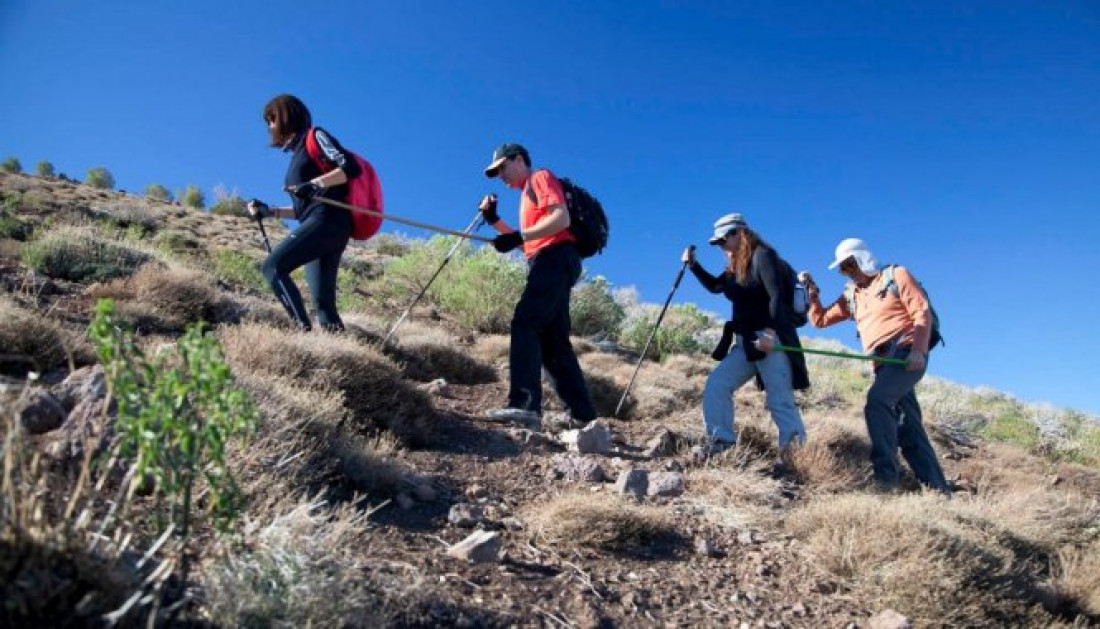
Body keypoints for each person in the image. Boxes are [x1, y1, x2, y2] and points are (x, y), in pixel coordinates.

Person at [801, 238, 951, 494]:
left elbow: (921, 311)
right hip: (882, 364)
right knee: (910, 429)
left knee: (878, 402)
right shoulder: (852, 295)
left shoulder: (895, 276)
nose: (848, 272)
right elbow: (820, 320)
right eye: (843, 269)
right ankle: (939, 491)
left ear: (863, 258)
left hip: (905, 352)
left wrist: (918, 350)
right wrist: (812, 293)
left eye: (850, 265)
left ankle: (885, 480)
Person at [477, 143, 596, 430]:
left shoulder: (539, 178)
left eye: (502, 167)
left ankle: (524, 406)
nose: (501, 176)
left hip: (554, 258)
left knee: (525, 323)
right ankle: (583, 417)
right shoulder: (526, 196)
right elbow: (529, 243)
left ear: (519, 159)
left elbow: (561, 219)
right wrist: (495, 222)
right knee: (554, 344)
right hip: (550, 259)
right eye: (496, 173)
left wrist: (518, 236)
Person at [683, 213, 809, 462]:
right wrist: (693, 266)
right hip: (745, 344)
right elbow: (716, 287)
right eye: (717, 243)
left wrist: (771, 335)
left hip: (769, 340)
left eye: (722, 241)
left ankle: (795, 458)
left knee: (779, 401)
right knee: (717, 385)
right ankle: (722, 443)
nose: (720, 247)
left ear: (739, 233)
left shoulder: (764, 256)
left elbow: (775, 296)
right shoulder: (734, 267)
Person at [246, 94, 360, 332]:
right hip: (322, 223)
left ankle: (302, 333)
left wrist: (315, 183)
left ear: (286, 115)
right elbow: (302, 211)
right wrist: (270, 212)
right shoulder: (297, 155)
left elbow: (350, 167)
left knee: (272, 267)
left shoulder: (315, 136)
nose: (270, 126)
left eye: (272, 119)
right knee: (323, 304)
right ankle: (337, 354)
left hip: (328, 221)